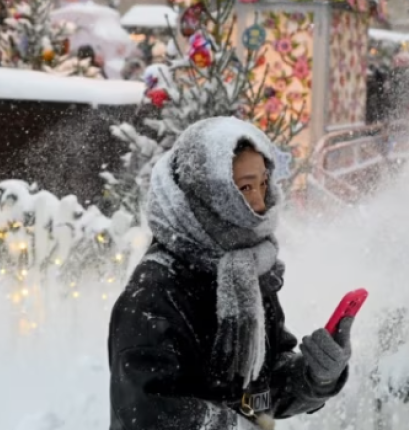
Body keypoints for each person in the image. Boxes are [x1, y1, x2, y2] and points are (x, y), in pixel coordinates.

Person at [108, 118, 353, 430]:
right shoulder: (154, 293)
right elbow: (146, 413)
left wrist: (313, 376)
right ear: (207, 193)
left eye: (264, 183)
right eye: (245, 187)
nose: (259, 202)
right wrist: (234, 425)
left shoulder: (245, 270)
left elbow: (259, 392)